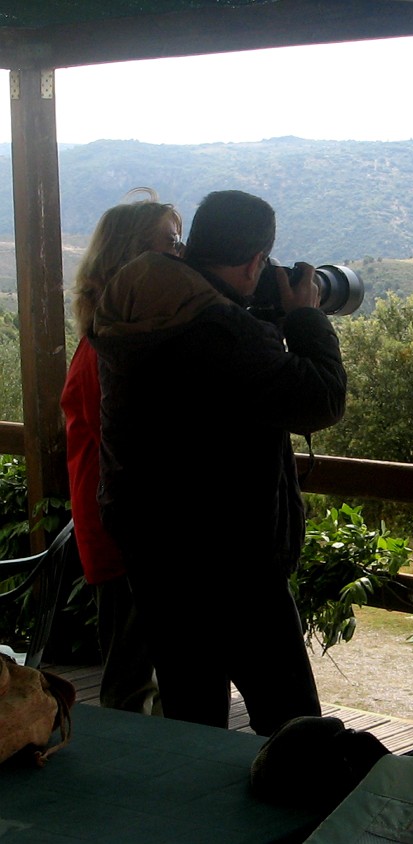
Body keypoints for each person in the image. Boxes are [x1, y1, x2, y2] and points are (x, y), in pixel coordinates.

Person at [92, 189, 346, 735]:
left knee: (192, 717)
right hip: (235, 559)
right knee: (292, 722)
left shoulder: (138, 312)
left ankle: (194, 814)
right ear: (256, 261)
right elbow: (322, 399)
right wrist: (305, 318)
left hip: (156, 551)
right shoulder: (222, 333)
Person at [61, 187, 180, 715]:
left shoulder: (112, 339)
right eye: (169, 245)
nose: (181, 255)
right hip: (124, 533)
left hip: (129, 527)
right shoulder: (106, 352)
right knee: (131, 679)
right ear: (132, 258)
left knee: (146, 668)